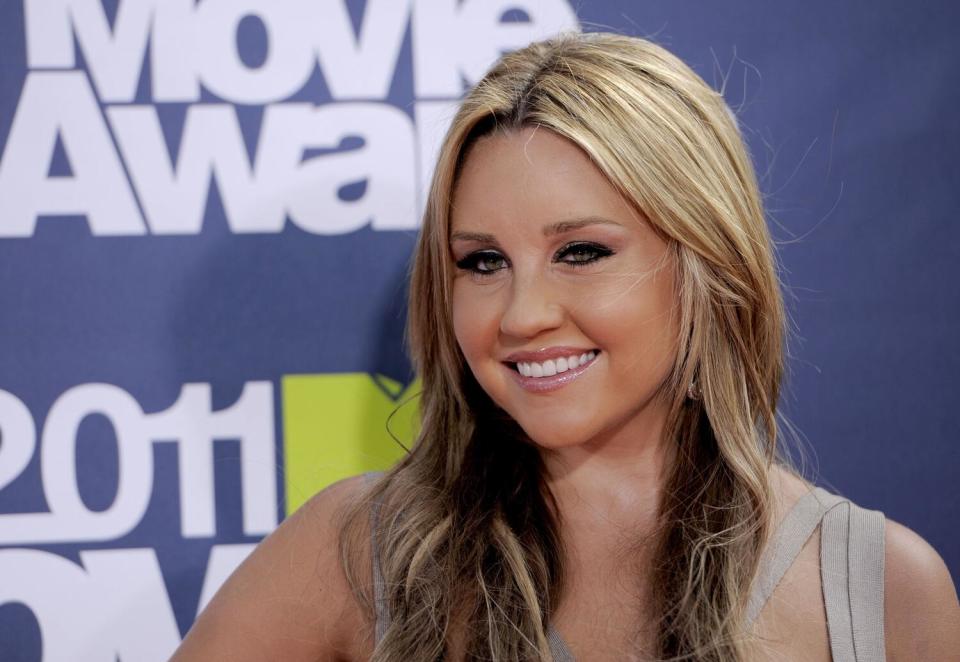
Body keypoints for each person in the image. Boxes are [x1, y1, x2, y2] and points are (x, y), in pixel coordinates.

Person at [171, 32, 959, 661]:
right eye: (482, 262)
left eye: (580, 252)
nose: (522, 314)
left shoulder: (881, 587)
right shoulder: (357, 554)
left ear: (706, 264)